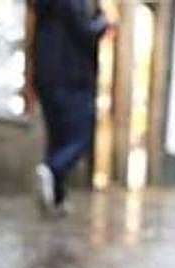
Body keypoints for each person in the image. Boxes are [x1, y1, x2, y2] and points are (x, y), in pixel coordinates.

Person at [29, 0, 115, 217]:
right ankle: (53, 169)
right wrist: (104, 22)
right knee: (82, 136)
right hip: (72, 76)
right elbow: (85, 31)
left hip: (47, 75)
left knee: (58, 137)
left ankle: (56, 199)